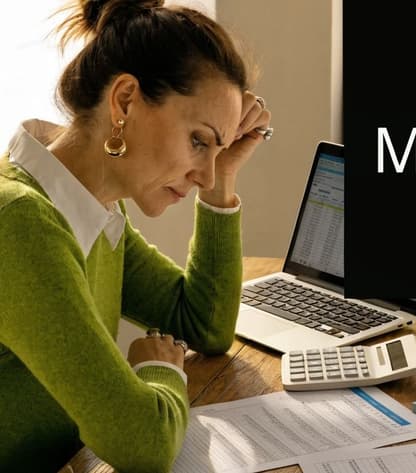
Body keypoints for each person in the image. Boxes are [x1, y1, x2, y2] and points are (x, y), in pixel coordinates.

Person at [0, 0, 272, 471]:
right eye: (198, 141)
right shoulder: (20, 223)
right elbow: (141, 443)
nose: (204, 175)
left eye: (218, 149)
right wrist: (161, 371)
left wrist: (225, 175)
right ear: (125, 100)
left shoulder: (94, 212)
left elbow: (203, 324)